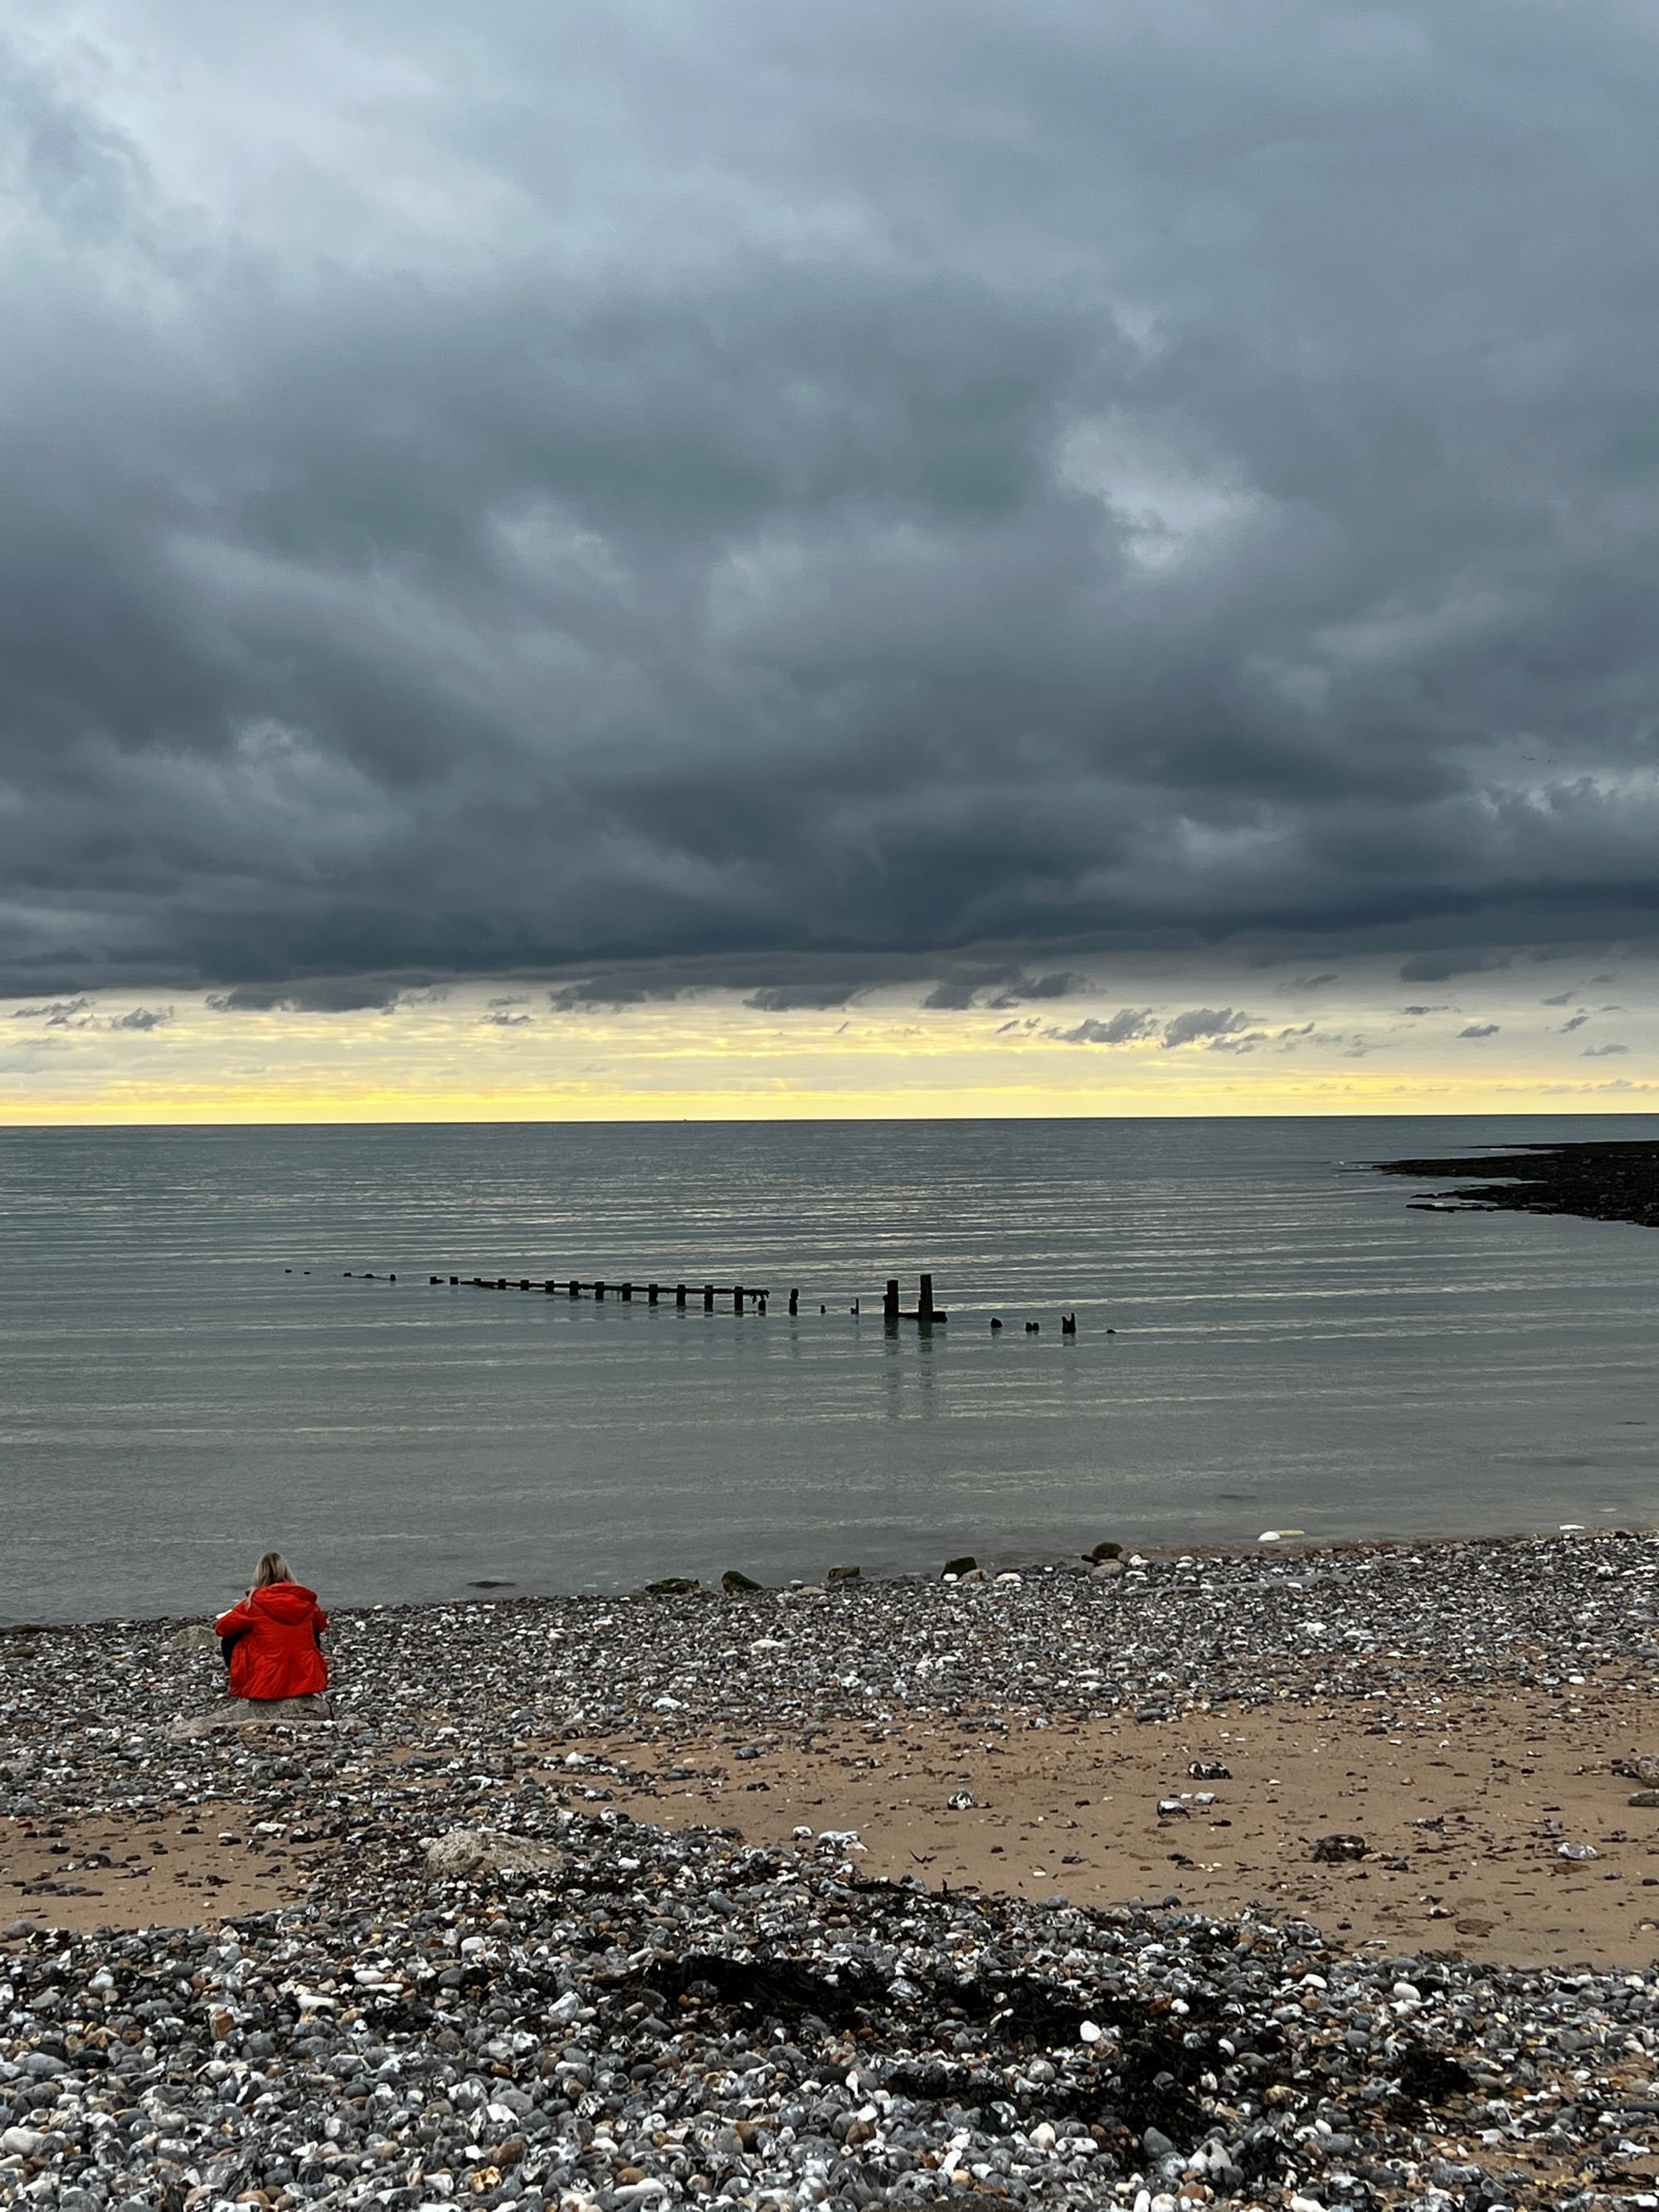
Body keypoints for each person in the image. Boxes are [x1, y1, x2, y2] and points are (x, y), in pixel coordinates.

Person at [215, 1552, 329, 1702]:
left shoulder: (254, 1603)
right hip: (307, 1680)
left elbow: (222, 1628)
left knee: (230, 1639)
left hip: (267, 1683)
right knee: (310, 1632)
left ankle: (247, 1677)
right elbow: (321, 1626)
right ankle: (300, 1676)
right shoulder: (305, 1601)